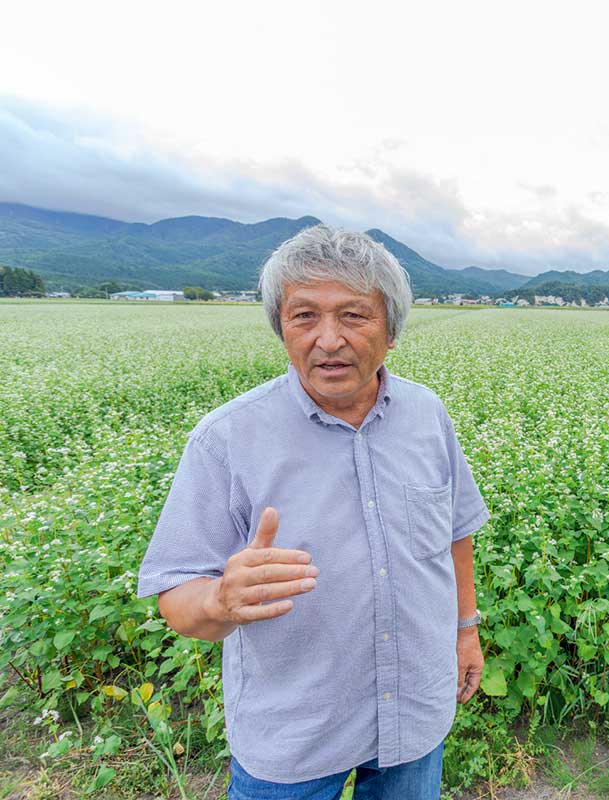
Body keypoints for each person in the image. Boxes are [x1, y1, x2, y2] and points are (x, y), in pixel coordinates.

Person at [136, 225, 489, 799]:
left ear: (391, 330)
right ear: (281, 329)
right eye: (304, 317)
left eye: (354, 315)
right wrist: (221, 599)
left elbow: (455, 530)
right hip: (294, 736)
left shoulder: (427, 416)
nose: (328, 340)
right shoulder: (226, 439)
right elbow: (176, 597)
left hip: (415, 713)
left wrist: (465, 630)